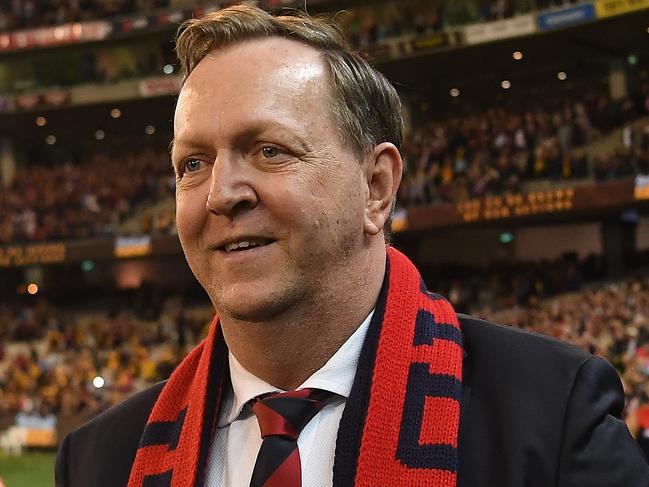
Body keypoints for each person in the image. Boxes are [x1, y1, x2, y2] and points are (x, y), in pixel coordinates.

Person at [55, 5, 649, 487]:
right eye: (193, 163)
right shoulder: (99, 460)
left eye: (269, 151)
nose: (221, 194)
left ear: (376, 187)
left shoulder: (551, 417)